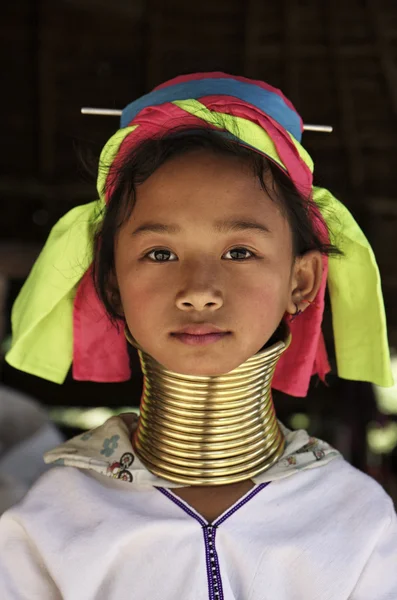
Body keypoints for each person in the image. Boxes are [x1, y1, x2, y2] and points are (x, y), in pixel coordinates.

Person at [0, 72, 396, 599]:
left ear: (300, 281)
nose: (200, 292)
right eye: (160, 254)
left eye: (240, 252)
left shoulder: (354, 518)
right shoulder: (52, 521)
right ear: (113, 285)